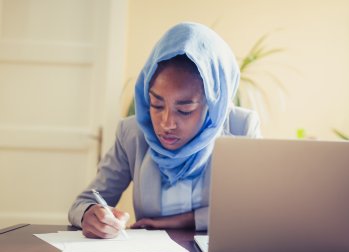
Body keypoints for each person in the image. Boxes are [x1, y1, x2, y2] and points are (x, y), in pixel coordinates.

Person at [68, 22, 261, 238]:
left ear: (213, 104)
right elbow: (83, 203)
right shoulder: (133, 133)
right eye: (157, 105)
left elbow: (253, 209)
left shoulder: (241, 128)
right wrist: (92, 214)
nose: (166, 123)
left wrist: (180, 221)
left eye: (184, 110)